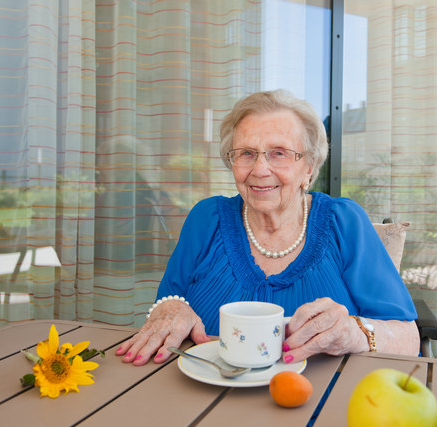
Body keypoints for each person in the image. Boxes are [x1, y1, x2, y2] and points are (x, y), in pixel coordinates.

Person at [116, 89, 419, 366]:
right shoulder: (206, 219)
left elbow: (408, 337)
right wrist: (170, 310)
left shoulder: (343, 222)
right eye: (246, 153)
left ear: (309, 166)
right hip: (204, 398)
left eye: (279, 153)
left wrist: (354, 333)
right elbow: (169, 303)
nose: (260, 170)